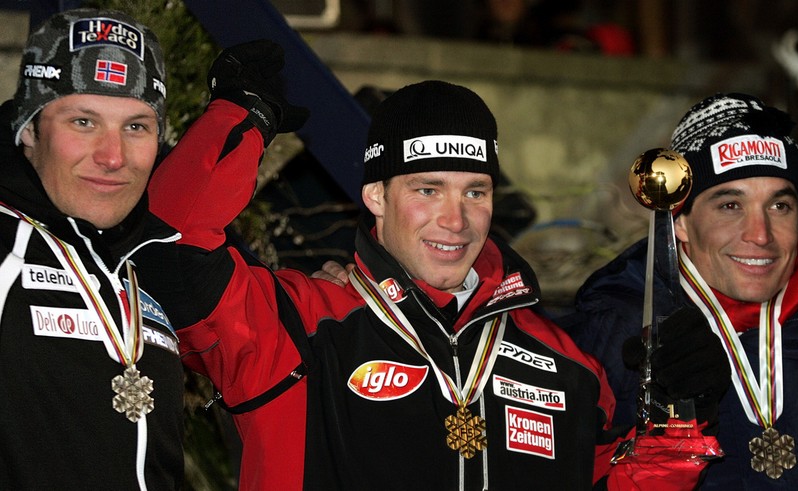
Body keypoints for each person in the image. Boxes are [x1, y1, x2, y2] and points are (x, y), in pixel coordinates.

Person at [145, 72, 728, 489]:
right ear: (375, 195)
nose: (456, 219)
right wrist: (241, 115)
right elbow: (169, 246)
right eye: (428, 190)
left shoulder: (566, 365)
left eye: (475, 191)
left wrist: (679, 424)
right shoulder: (292, 326)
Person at [559, 93, 798, 489]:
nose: (760, 235)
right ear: (681, 223)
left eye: (780, 206)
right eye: (730, 205)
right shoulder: (603, 342)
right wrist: (664, 428)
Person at [0, 8, 182, 489]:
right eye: (83, 121)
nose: (113, 156)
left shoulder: (157, 255)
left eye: (136, 127)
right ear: (29, 130)